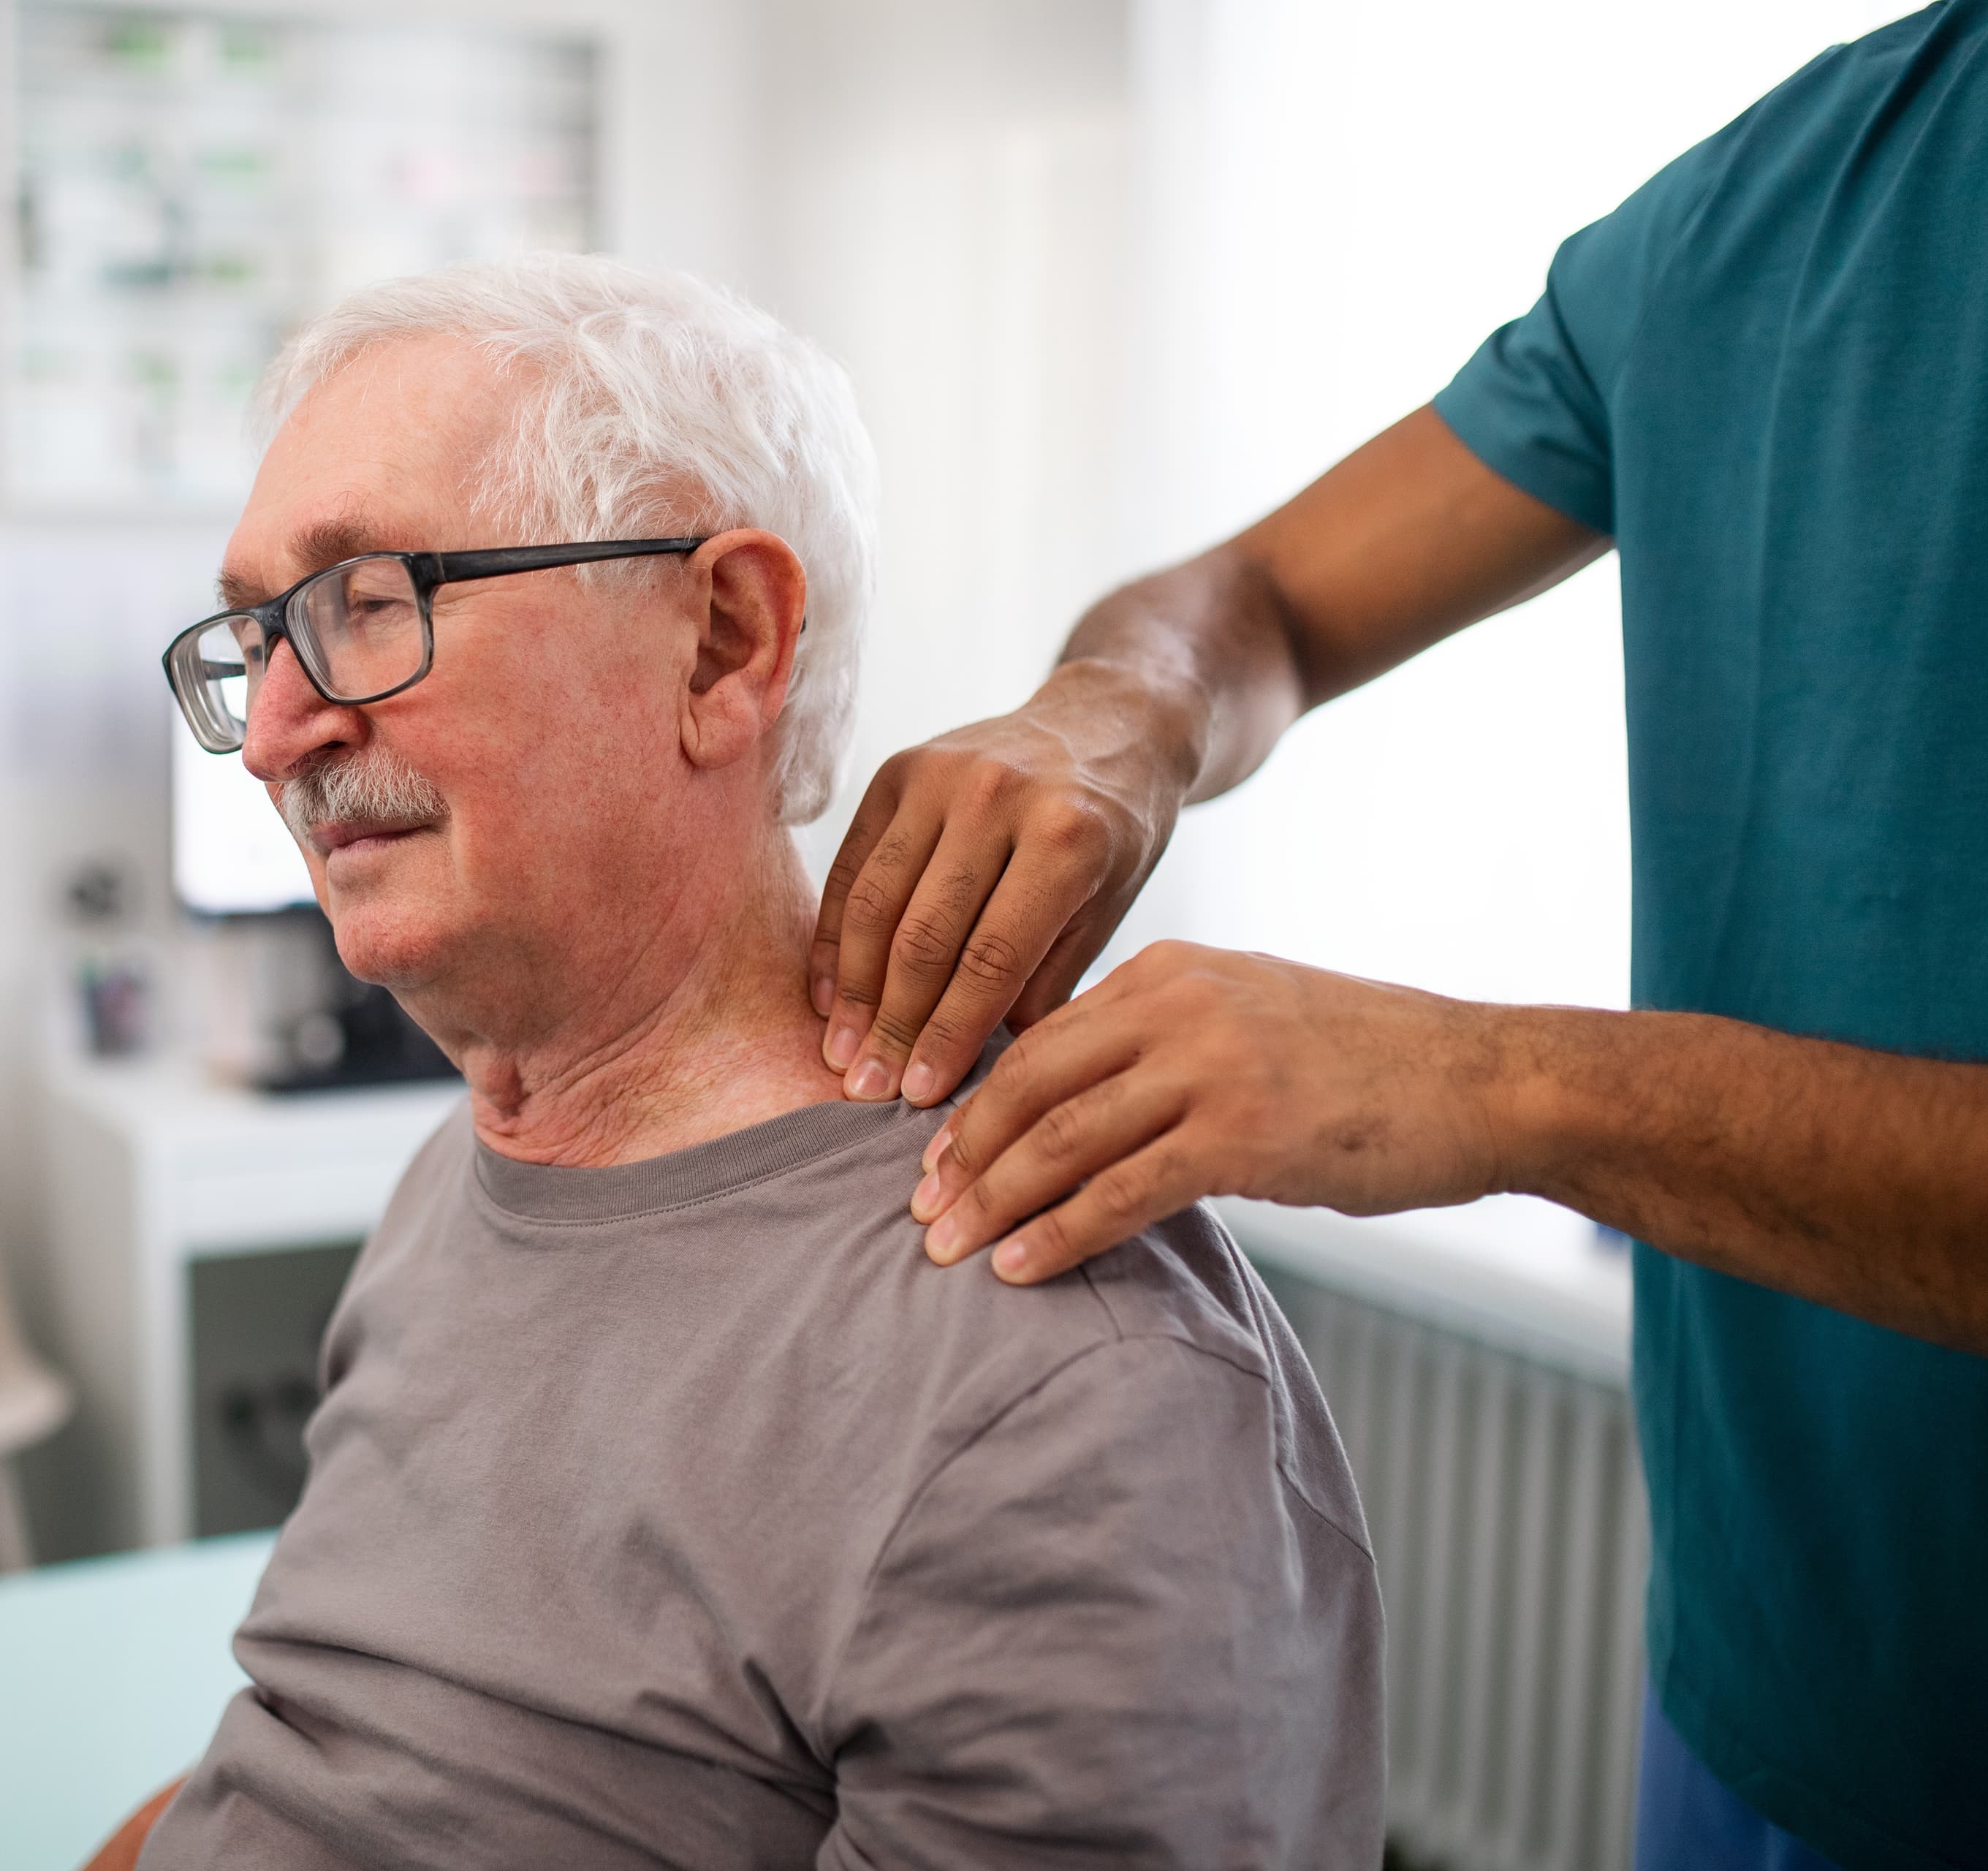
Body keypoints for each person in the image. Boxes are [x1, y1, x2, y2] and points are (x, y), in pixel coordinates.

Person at [808, 9, 1988, 1869]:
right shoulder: (1766, 206)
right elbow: (1261, 596)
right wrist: (1119, 713)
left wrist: (1498, 1084)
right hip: (1757, 1687)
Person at [103, 254, 1384, 1869]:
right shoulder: (462, 1176)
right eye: (259, 634)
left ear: (721, 645)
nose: (277, 733)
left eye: (367, 602)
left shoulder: (1062, 1392)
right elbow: (320, 1751)